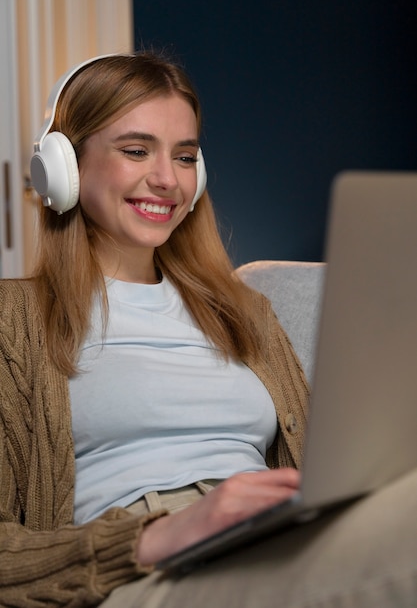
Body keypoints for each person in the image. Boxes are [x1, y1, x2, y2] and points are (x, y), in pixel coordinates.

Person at [0, 52, 416, 608]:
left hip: (265, 540)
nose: (167, 179)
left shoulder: (246, 313)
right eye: (136, 150)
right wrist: (160, 536)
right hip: (139, 571)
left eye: (185, 156)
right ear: (63, 168)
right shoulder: (13, 321)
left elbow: (323, 467)